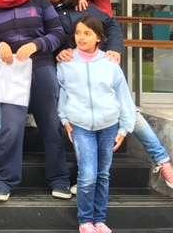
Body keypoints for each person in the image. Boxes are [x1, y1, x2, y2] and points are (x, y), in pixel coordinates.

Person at [38, 0, 173, 192]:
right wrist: (58, 52)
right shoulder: (39, 12)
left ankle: (162, 160)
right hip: (69, 73)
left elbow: (110, 25)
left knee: (129, 111)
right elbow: (41, 39)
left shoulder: (81, 6)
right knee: (80, 125)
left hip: (97, 68)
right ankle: (83, 179)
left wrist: (115, 49)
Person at [0, 0, 71, 202]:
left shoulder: (39, 2)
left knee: (51, 123)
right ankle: (3, 181)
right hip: (11, 71)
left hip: (41, 67)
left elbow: (58, 33)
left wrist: (36, 45)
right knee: (10, 128)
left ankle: (59, 179)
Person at [57, 16, 136, 233]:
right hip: (81, 126)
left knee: (103, 174)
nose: (81, 37)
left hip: (109, 125)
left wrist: (124, 128)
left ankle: (99, 220)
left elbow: (123, 96)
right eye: (78, 33)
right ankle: (85, 221)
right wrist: (65, 119)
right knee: (88, 175)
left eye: (87, 33)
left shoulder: (110, 63)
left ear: (99, 38)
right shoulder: (66, 62)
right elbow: (62, 94)